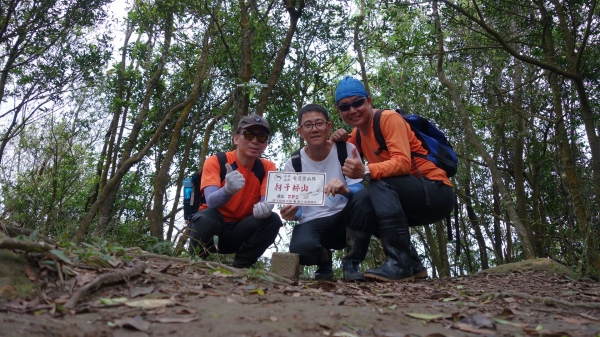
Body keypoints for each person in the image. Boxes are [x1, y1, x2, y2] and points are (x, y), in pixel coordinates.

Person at [331, 76, 455, 282]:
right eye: (345, 107)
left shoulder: (388, 119)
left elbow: (403, 163)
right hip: (405, 199)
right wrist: (336, 140)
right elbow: (337, 159)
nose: (352, 110)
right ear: (339, 111)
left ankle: (399, 264)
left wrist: (366, 171)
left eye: (357, 103)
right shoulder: (357, 135)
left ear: (368, 101)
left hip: (436, 192)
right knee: (364, 201)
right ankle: (412, 265)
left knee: (378, 182)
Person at [280, 104, 376, 281]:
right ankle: (324, 260)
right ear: (300, 131)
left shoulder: (345, 150)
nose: (314, 129)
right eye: (308, 125)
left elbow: (358, 190)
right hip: (313, 222)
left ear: (329, 126)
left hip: (344, 219)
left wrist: (344, 190)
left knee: (365, 198)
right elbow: (298, 209)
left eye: (319, 123)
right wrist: (291, 213)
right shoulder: (293, 163)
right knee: (301, 249)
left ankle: (351, 263)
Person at [188, 114, 282, 268]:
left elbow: (268, 198)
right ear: (236, 139)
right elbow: (211, 200)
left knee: (273, 220)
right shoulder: (217, 161)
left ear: (265, 145)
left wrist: (266, 207)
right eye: (249, 134)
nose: (254, 141)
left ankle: (241, 267)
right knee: (207, 218)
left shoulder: (267, 167)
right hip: (213, 228)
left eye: (261, 137)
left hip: (240, 231)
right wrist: (227, 190)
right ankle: (196, 261)